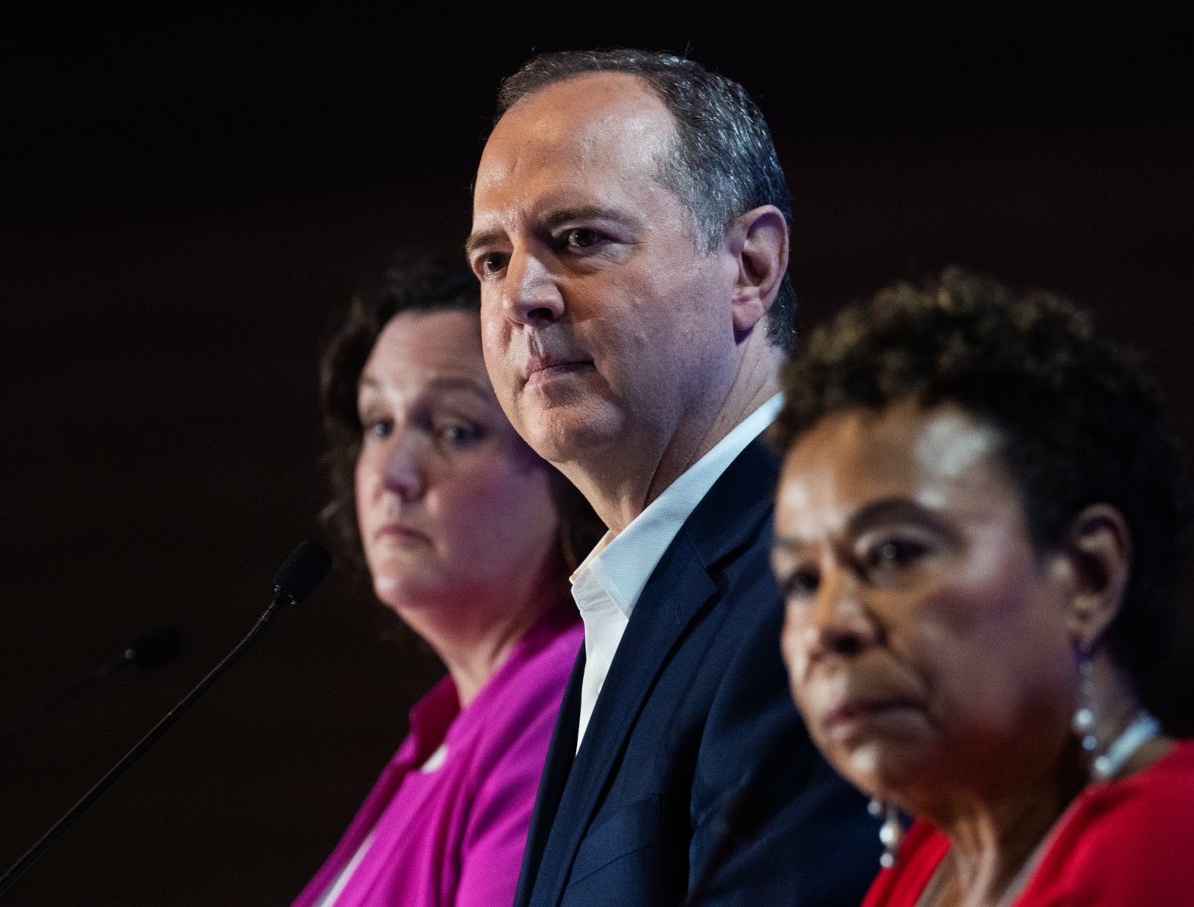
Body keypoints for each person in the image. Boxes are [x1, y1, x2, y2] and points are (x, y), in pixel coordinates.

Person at [771, 269, 1194, 905]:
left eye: (895, 552)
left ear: (1088, 578)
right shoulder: (921, 871)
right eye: (802, 578)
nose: (826, 626)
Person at [466, 49, 878, 905]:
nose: (521, 298)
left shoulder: (812, 577)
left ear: (750, 268)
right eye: (492, 260)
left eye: (578, 239)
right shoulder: (643, 587)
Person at [292, 254, 601, 907]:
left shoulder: (556, 699)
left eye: (455, 430)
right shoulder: (446, 725)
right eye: (379, 423)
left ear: (560, 467)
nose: (392, 473)